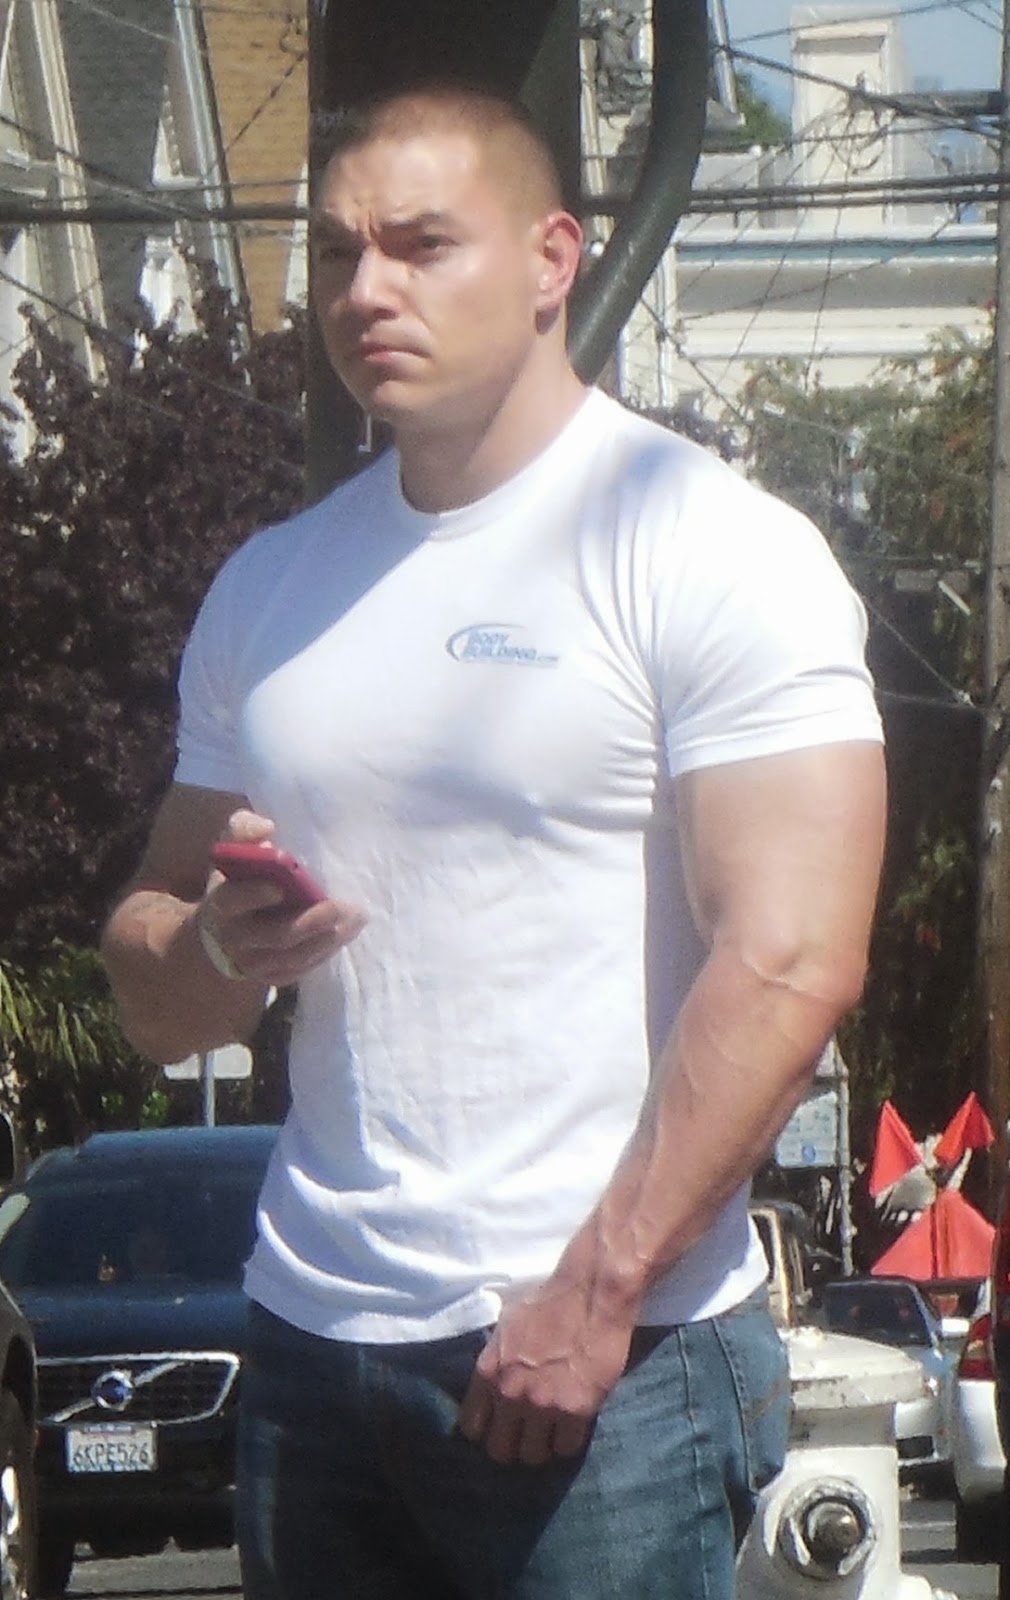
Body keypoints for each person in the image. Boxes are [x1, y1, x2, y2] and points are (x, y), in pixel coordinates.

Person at [100, 83, 887, 1600]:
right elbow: (149, 988)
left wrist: (596, 1294)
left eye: (419, 244)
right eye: (338, 251)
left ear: (550, 260)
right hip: (312, 1345)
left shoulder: (706, 542)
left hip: (611, 1367)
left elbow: (793, 961)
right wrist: (214, 946)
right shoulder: (270, 589)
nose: (365, 290)